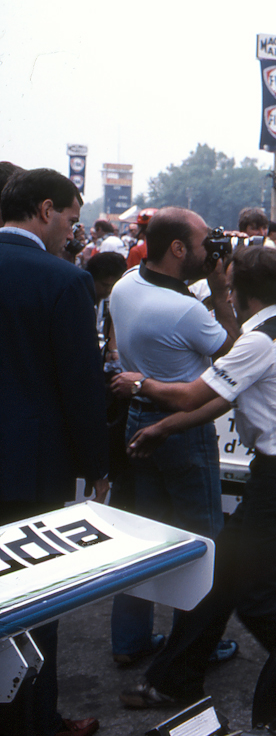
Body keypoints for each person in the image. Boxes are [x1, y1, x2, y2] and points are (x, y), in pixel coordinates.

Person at [116, 246, 276, 709]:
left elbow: (192, 395)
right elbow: (224, 397)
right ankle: (174, 680)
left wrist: (138, 384)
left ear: (239, 291)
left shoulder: (258, 342)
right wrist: (164, 428)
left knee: (257, 598)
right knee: (220, 578)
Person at [108, 207, 240, 669]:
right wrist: (222, 291)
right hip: (182, 426)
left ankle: (129, 640)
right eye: (205, 244)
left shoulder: (126, 285)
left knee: (140, 533)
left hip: (136, 416)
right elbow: (231, 347)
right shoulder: (185, 309)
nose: (212, 253)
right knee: (203, 540)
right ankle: (197, 646)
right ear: (178, 249)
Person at [0, 168, 107, 736]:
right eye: (69, 218)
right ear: (45, 210)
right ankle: (37, 720)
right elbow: (81, 386)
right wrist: (97, 467)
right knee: (34, 600)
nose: (73, 230)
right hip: (31, 469)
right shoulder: (63, 281)